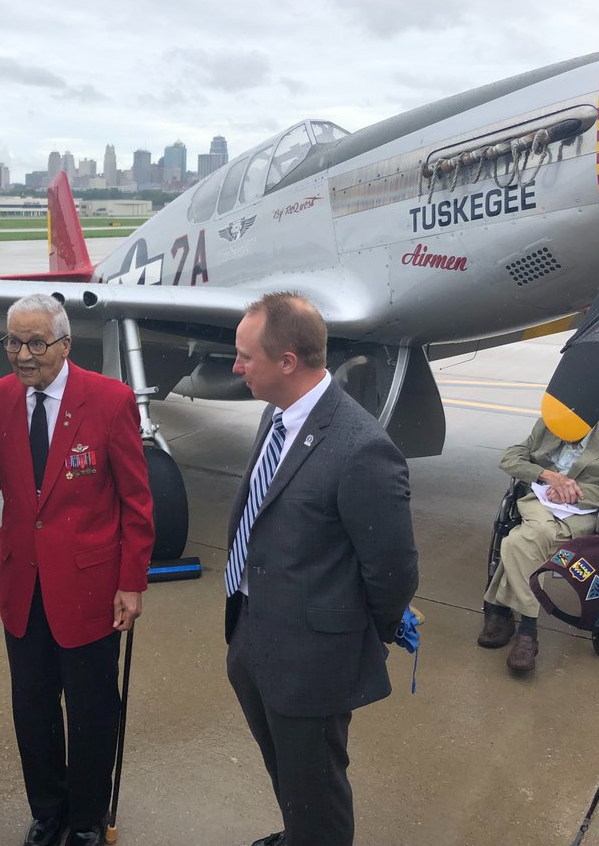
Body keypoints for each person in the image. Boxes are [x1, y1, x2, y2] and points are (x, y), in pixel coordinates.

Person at [224, 292, 419, 846]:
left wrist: (347, 638)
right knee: (290, 777)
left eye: (245, 357)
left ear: (287, 361)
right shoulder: (277, 414)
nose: (236, 367)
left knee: (318, 789)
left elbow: (394, 570)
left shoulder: (362, 449)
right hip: (254, 636)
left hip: (313, 662)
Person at [0, 294, 154, 846]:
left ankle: (88, 819)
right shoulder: (0, 398)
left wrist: (131, 582)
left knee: (93, 711)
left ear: (65, 344)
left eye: (36, 343)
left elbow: (137, 503)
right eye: (13, 342)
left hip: (91, 589)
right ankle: (48, 811)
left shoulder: (109, 400)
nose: (23, 355)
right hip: (23, 585)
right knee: (33, 709)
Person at [479, 416, 599, 673]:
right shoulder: (549, 425)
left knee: (517, 541)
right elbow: (510, 458)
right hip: (539, 504)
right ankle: (527, 629)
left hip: (587, 514)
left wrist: (577, 491)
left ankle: (509, 615)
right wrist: (548, 476)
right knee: (539, 530)